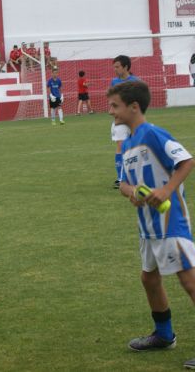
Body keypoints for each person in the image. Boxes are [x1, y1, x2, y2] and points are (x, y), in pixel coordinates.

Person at [108, 81, 195, 369]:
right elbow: (124, 182)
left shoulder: (153, 134)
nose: (111, 112)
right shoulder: (129, 143)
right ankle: (164, 335)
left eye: (115, 106)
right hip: (147, 228)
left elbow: (185, 160)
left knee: (189, 282)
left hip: (171, 224)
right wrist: (132, 193)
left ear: (134, 106)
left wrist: (167, 190)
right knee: (149, 279)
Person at [111, 55, 139, 189]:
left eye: (117, 67)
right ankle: (120, 178)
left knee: (136, 147)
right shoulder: (114, 82)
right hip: (120, 120)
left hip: (134, 119)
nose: (115, 69)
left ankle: (134, 175)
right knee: (120, 146)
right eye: (114, 67)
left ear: (126, 67)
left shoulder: (135, 81)